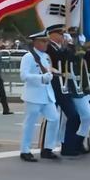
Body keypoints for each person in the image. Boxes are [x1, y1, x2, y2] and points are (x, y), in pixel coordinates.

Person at [19, 31, 60, 162]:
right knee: (30, 123)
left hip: (47, 94)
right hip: (33, 95)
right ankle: (25, 150)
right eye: (43, 41)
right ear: (35, 42)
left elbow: (48, 71)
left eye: (47, 41)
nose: (46, 43)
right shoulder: (28, 57)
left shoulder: (46, 56)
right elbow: (24, 76)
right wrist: (41, 78)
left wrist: (49, 75)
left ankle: (48, 148)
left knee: (54, 119)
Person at [45, 24, 81, 156]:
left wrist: (70, 46)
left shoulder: (61, 47)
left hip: (64, 86)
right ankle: (46, 148)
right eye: (60, 34)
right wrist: (66, 48)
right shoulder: (48, 47)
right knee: (51, 118)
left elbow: (72, 59)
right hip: (53, 85)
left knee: (73, 116)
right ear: (52, 34)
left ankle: (68, 146)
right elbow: (56, 59)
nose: (62, 36)